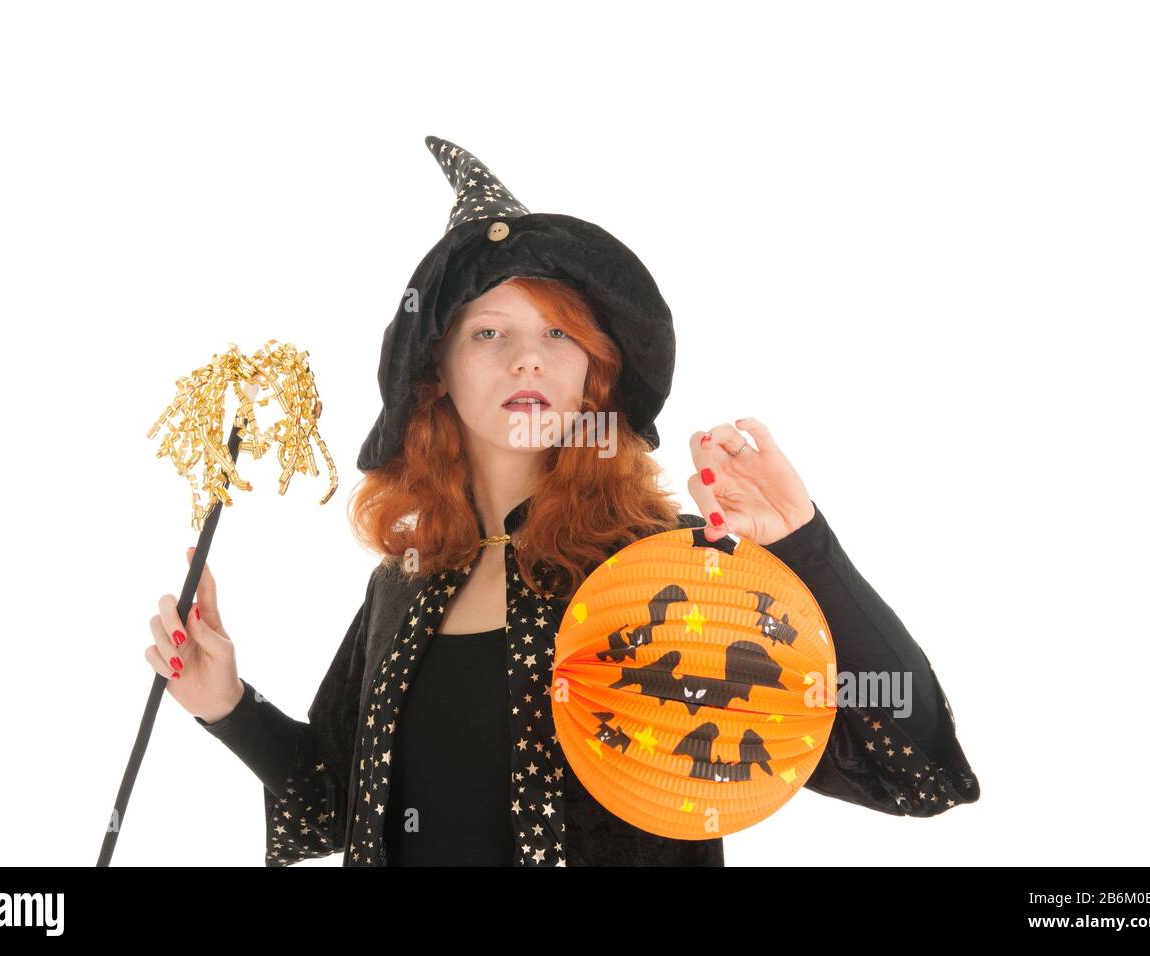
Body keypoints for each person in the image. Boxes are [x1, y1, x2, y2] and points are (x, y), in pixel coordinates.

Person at [144, 136, 981, 866]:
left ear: (595, 377)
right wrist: (226, 702)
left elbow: (917, 770)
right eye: (488, 331)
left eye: (557, 333)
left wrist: (805, 550)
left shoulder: (678, 579)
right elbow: (336, 807)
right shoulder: (401, 584)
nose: (527, 360)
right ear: (436, 375)